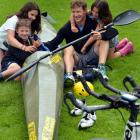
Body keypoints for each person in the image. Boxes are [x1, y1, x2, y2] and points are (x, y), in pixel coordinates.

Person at [45, 0, 118, 129]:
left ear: (85, 11)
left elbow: (112, 32)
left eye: (78, 11)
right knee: (67, 47)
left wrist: (100, 35)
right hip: (77, 58)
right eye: (73, 12)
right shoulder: (67, 27)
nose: (76, 14)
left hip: (91, 55)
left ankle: (101, 68)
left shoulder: (94, 19)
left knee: (103, 39)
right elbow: (52, 43)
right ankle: (69, 76)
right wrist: (37, 47)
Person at [0, 2, 41, 69]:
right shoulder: (13, 20)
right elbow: (10, 39)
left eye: (35, 16)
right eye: (32, 14)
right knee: (1, 69)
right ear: (25, 12)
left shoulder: (26, 23)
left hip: (9, 49)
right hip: (1, 46)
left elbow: (29, 37)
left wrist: (35, 44)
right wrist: (24, 48)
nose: (34, 18)